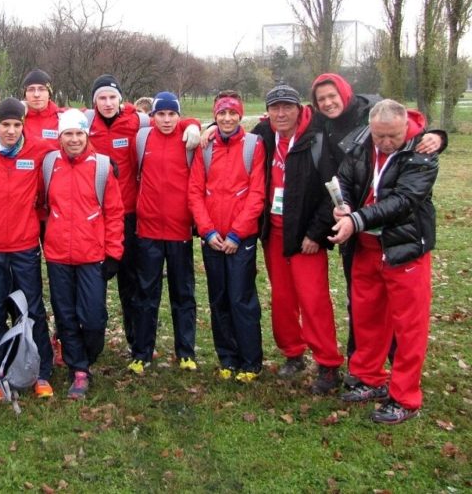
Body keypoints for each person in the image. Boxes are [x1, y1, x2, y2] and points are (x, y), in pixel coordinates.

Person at [310, 73, 446, 369]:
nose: (327, 102)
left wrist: (437, 136)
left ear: (345, 93)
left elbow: (405, 124)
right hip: (359, 234)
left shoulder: (370, 114)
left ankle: (397, 368)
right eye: (321, 99)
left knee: (401, 313)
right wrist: (342, 205)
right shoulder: (321, 123)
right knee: (362, 305)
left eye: (332, 95)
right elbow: (345, 175)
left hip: (394, 236)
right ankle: (362, 368)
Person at [329, 99, 438, 424]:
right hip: (367, 246)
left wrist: (357, 219)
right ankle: (368, 377)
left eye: (393, 136)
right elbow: (345, 178)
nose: (386, 143)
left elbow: (403, 201)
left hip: (404, 248)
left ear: (406, 128)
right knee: (367, 315)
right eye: (380, 137)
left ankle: (405, 396)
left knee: (409, 326)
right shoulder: (362, 142)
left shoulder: (423, 153)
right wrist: (343, 205)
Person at [253, 84, 344, 394]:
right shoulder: (264, 134)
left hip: (306, 236)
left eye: (287, 107)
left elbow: (333, 191)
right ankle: (293, 353)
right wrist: (210, 129)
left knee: (313, 299)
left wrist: (316, 233)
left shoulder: (316, 137)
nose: (281, 113)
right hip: (274, 233)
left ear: (299, 108)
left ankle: (328, 363)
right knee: (282, 297)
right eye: (274, 107)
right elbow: (228, 129)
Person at [0, 97, 55, 400]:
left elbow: (71, 148)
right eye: (5, 125)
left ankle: (41, 371)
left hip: (24, 245)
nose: (10, 131)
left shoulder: (37, 150)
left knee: (31, 310)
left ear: (23, 125)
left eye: (16, 125)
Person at [43, 108, 124, 399]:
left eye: (79, 133)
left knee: (92, 318)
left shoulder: (102, 166)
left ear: (86, 134)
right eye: (68, 134)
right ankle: (78, 369)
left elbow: (114, 213)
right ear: (60, 137)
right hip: (58, 256)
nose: (74, 139)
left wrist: (114, 253)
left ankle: (85, 355)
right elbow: (42, 206)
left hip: (92, 255)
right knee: (65, 314)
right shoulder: (50, 164)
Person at [188, 91, 266, 382]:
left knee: (241, 299)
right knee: (219, 298)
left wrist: (237, 233)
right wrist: (207, 232)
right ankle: (227, 358)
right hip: (212, 238)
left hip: (240, 238)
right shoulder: (205, 148)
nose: (227, 119)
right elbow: (195, 192)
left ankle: (250, 360)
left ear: (240, 115)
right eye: (222, 114)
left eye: (233, 113)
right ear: (215, 116)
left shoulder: (253, 146)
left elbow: (257, 194)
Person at [130, 92, 201, 374]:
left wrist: (193, 124)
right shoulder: (142, 139)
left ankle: (185, 352)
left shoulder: (188, 140)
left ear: (179, 116)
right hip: (147, 229)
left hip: (179, 230)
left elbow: (199, 128)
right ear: (153, 116)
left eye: (172, 115)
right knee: (146, 293)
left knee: (183, 294)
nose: (167, 120)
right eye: (161, 114)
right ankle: (142, 352)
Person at [86, 75, 148, 349]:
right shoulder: (86, 125)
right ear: (94, 101)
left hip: (129, 213)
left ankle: (136, 341)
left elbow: (178, 121)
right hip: (95, 215)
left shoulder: (137, 121)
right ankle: (89, 336)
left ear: (120, 99)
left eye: (112, 97)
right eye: (102, 98)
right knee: (94, 278)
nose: (108, 103)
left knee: (131, 281)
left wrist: (196, 126)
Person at [22, 69, 64, 145]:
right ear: (25, 95)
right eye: (31, 90)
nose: (36, 95)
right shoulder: (15, 119)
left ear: (49, 94)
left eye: (42, 89)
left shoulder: (63, 117)